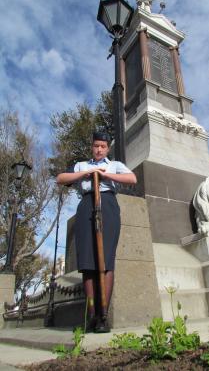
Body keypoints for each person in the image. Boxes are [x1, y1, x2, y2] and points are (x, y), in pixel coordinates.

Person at [56, 132, 137, 333]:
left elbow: (132, 178)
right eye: (95, 146)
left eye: (102, 146)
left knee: (106, 261)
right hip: (86, 206)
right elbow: (61, 178)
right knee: (87, 263)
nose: (99, 149)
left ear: (107, 148)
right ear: (91, 147)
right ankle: (91, 315)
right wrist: (85, 174)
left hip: (108, 204)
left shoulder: (115, 165)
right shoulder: (82, 165)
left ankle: (103, 316)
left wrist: (104, 175)